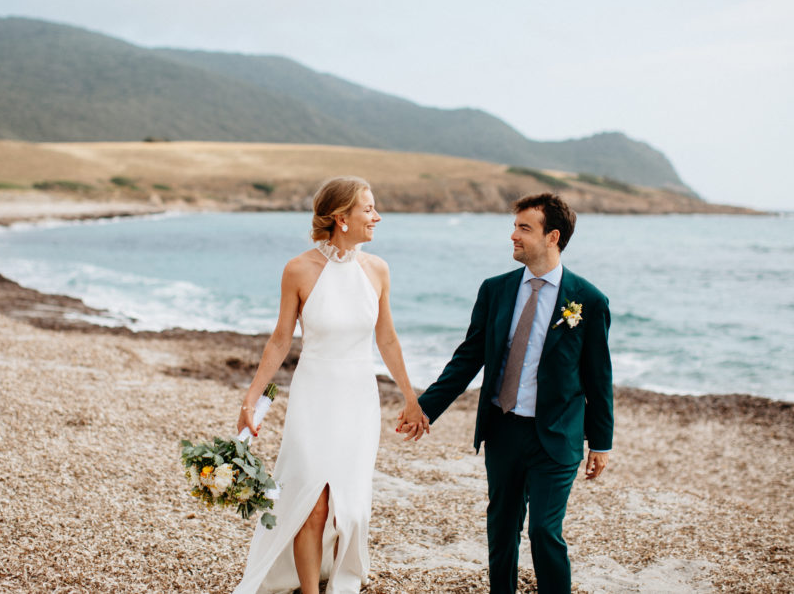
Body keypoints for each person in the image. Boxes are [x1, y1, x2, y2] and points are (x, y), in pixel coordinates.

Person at [401, 192, 613, 594]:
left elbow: (598, 376)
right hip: (503, 430)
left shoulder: (588, 300)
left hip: (558, 435)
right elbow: (468, 358)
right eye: (515, 226)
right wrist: (424, 407)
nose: (513, 235)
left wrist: (601, 442)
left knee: (545, 532)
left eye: (523, 228)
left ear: (552, 236)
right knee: (501, 528)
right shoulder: (495, 290)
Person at [234, 176, 428, 594]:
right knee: (312, 500)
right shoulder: (299, 269)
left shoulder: (377, 270)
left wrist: (411, 398)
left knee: (350, 509)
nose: (377, 216)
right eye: (368, 209)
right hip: (313, 395)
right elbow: (281, 338)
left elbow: (387, 339)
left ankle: (339, 576)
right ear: (342, 218)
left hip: (358, 397)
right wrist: (252, 396)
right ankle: (308, 590)